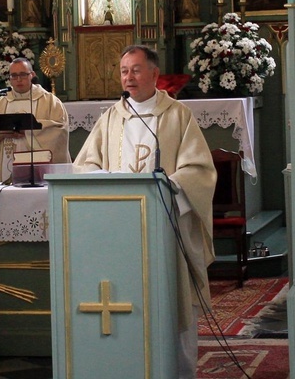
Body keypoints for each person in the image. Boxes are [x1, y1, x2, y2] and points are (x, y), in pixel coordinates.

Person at [73, 45, 216, 379]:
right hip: (119, 229)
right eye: (124, 70)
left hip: (164, 226)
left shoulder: (178, 115)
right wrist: (103, 180)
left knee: (171, 300)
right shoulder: (111, 117)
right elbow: (85, 164)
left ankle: (176, 371)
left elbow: (199, 170)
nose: (129, 77)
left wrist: (171, 187)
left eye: (136, 70)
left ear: (154, 74)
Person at [0, 57, 71, 182]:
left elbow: (60, 130)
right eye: (14, 76)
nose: (18, 80)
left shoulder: (50, 101)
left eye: (23, 74)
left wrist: (28, 132)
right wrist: (1, 135)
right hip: (5, 160)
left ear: (32, 75)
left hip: (36, 162)